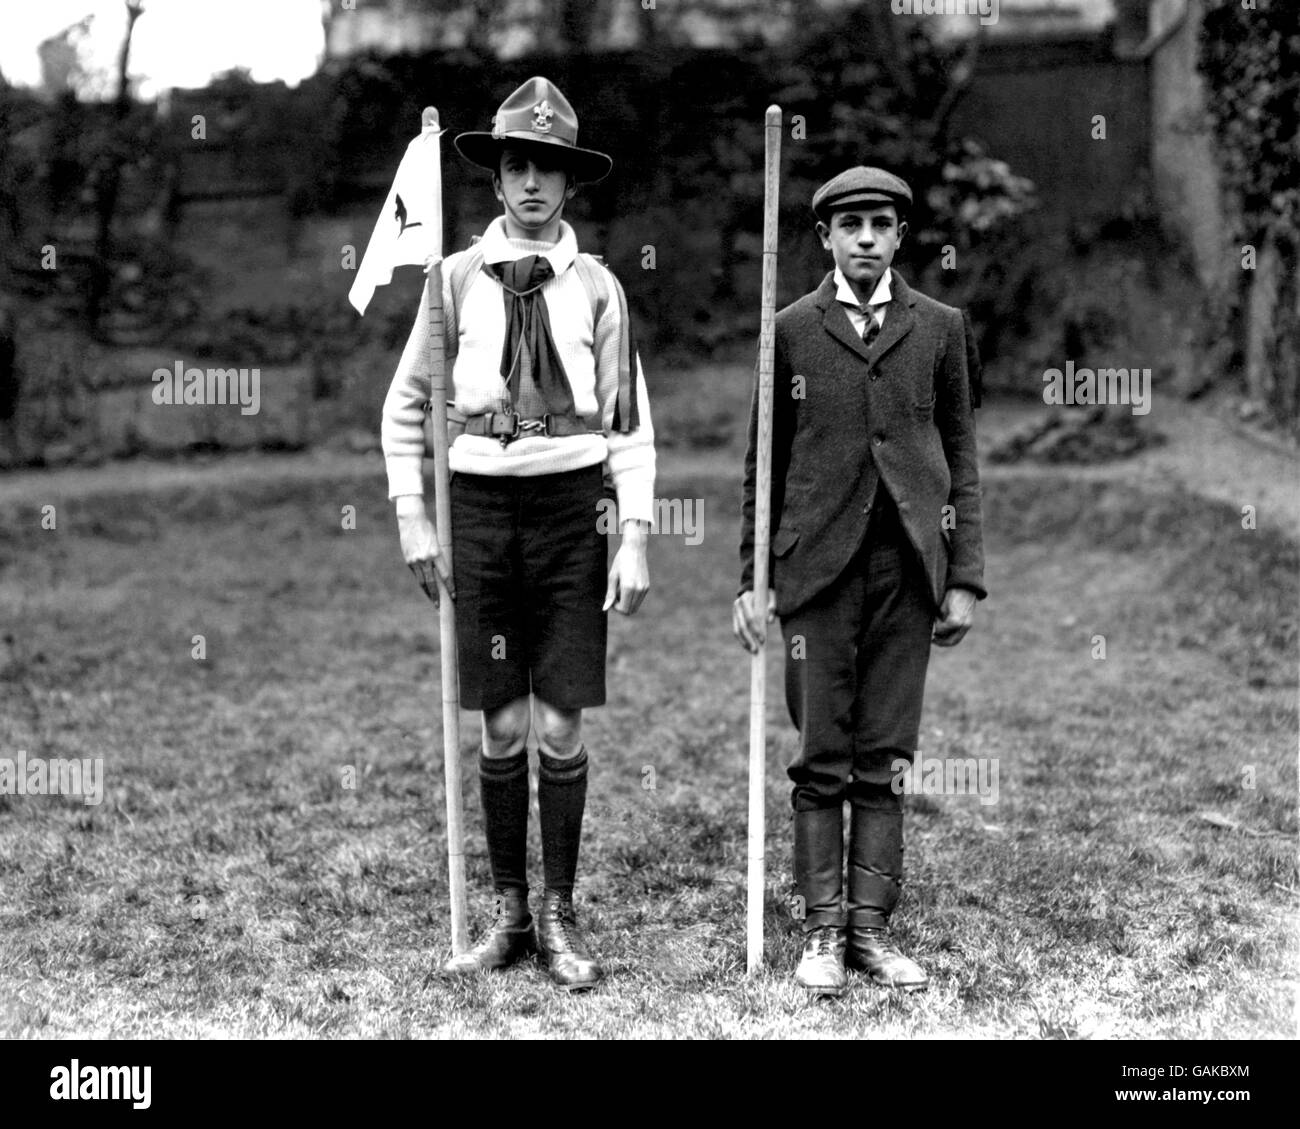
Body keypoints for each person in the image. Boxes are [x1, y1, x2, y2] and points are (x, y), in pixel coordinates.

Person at [382, 77, 656, 991]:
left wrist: (637, 535)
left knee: (559, 715)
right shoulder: (453, 283)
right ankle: (507, 909)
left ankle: (560, 911)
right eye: (516, 165)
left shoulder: (600, 288)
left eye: (549, 168)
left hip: (573, 511)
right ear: (496, 181)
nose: (533, 183)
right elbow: (405, 411)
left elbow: (629, 424)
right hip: (481, 514)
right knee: (500, 720)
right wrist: (417, 519)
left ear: (570, 184)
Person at [734, 166, 986, 995]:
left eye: (882, 224)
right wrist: (753, 578)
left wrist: (964, 578)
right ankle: (820, 930)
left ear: (902, 235)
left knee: (884, 757)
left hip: (909, 571)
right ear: (826, 238)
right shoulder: (792, 331)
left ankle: (871, 929)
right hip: (815, 573)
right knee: (822, 758)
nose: (867, 238)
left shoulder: (940, 328)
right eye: (852, 226)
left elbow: (964, 460)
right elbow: (760, 469)